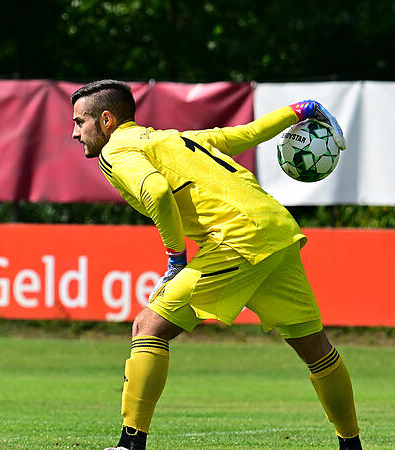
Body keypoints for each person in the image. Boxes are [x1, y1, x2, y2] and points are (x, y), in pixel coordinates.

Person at [70, 79, 360, 450]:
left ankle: (130, 445)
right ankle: (351, 445)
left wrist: (175, 258)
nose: (75, 133)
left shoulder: (116, 151)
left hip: (237, 239)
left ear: (106, 120)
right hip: (277, 229)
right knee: (316, 349)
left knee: (148, 327)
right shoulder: (173, 139)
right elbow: (247, 134)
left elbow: (156, 191)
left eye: (80, 122)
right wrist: (299, 110)